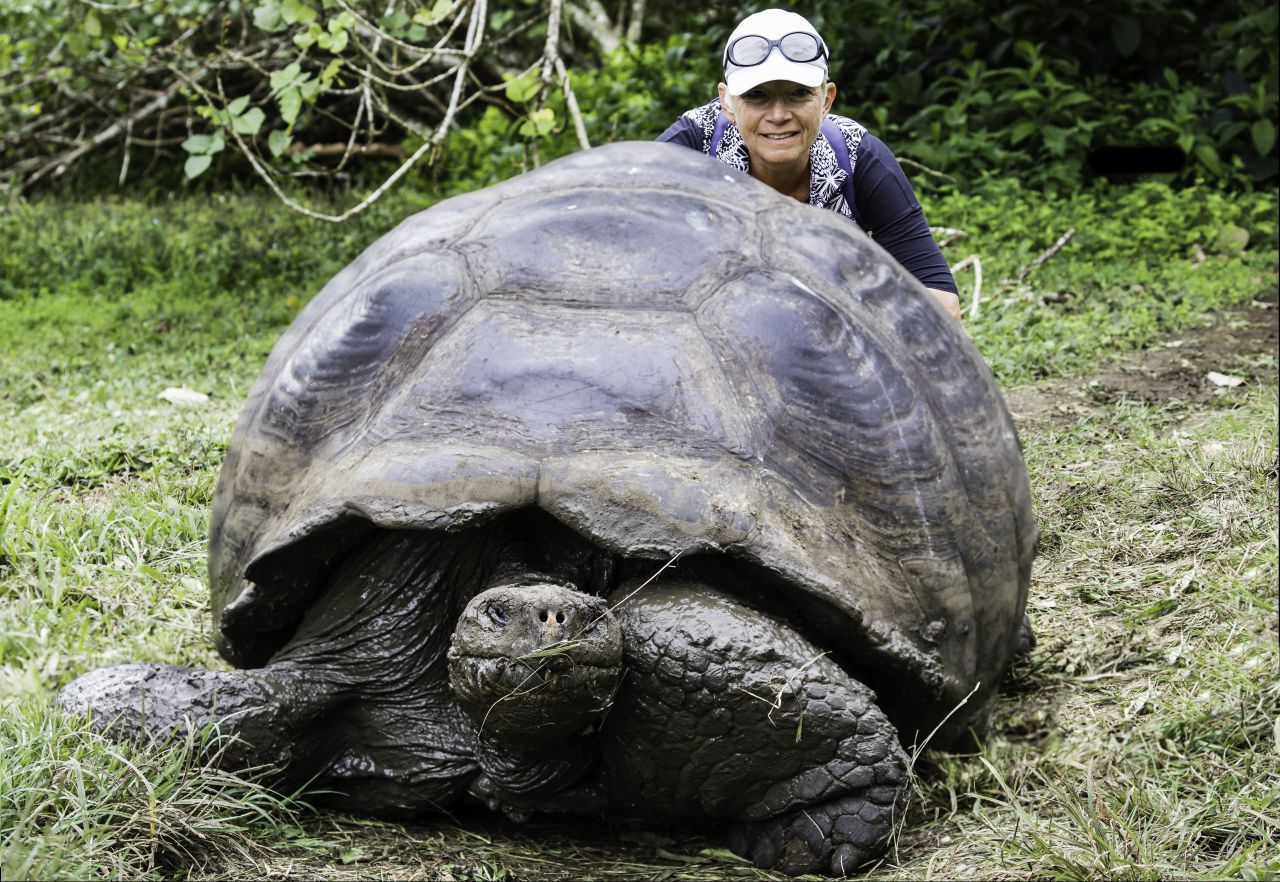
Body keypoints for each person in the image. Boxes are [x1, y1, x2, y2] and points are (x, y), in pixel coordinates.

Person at [658, 8, 962, 321]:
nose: (778, 115)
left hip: (829, 331)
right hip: (707, 324)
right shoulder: (691, 147)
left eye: (798, 93)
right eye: (757, 95)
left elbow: (941, 303)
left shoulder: (857, 156)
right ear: (728, 102)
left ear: (826, 99)